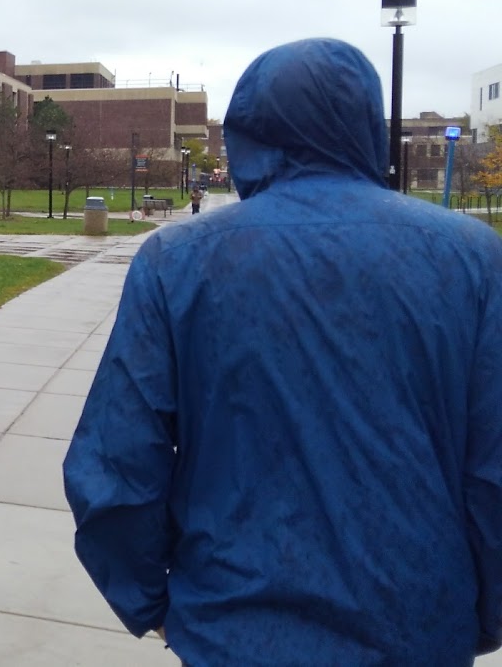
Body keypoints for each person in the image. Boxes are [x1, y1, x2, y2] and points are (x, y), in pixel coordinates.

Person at [62, 38, 502, 666]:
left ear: (250, 133)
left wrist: (152, 604)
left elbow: (117, 464)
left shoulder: (177, 262)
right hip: (417, 624)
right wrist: (480, 614)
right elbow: (492, 470)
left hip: (233, 627)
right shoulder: (473, 258)